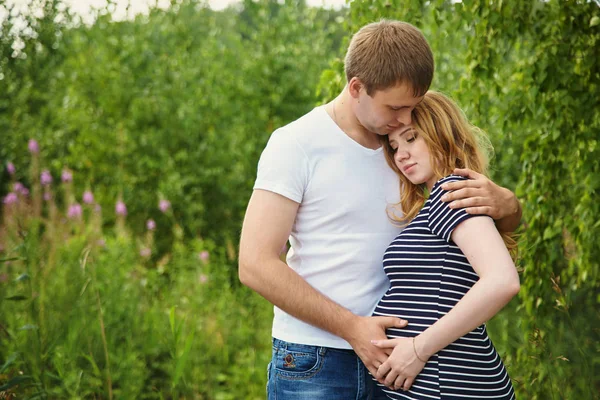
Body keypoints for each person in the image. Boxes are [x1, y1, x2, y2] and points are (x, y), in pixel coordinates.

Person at [238, 20, 522, 399]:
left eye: (413, 108)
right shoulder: (296, 144)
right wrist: (352, 327)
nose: (405, 119)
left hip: (400, 365)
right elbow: (254, 264)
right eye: (395, 108)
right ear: (357, 88)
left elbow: (469, 228)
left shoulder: (408, 153)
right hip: (317, 359)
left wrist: (509, 204)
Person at [370, 91, 518, 399]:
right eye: (395, 147)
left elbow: (502, 281)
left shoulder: (451, 192)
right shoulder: (437, 200)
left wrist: (417, 348)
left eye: (411, 138)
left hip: (448, 383)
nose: (401, 155)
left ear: (441, 131)